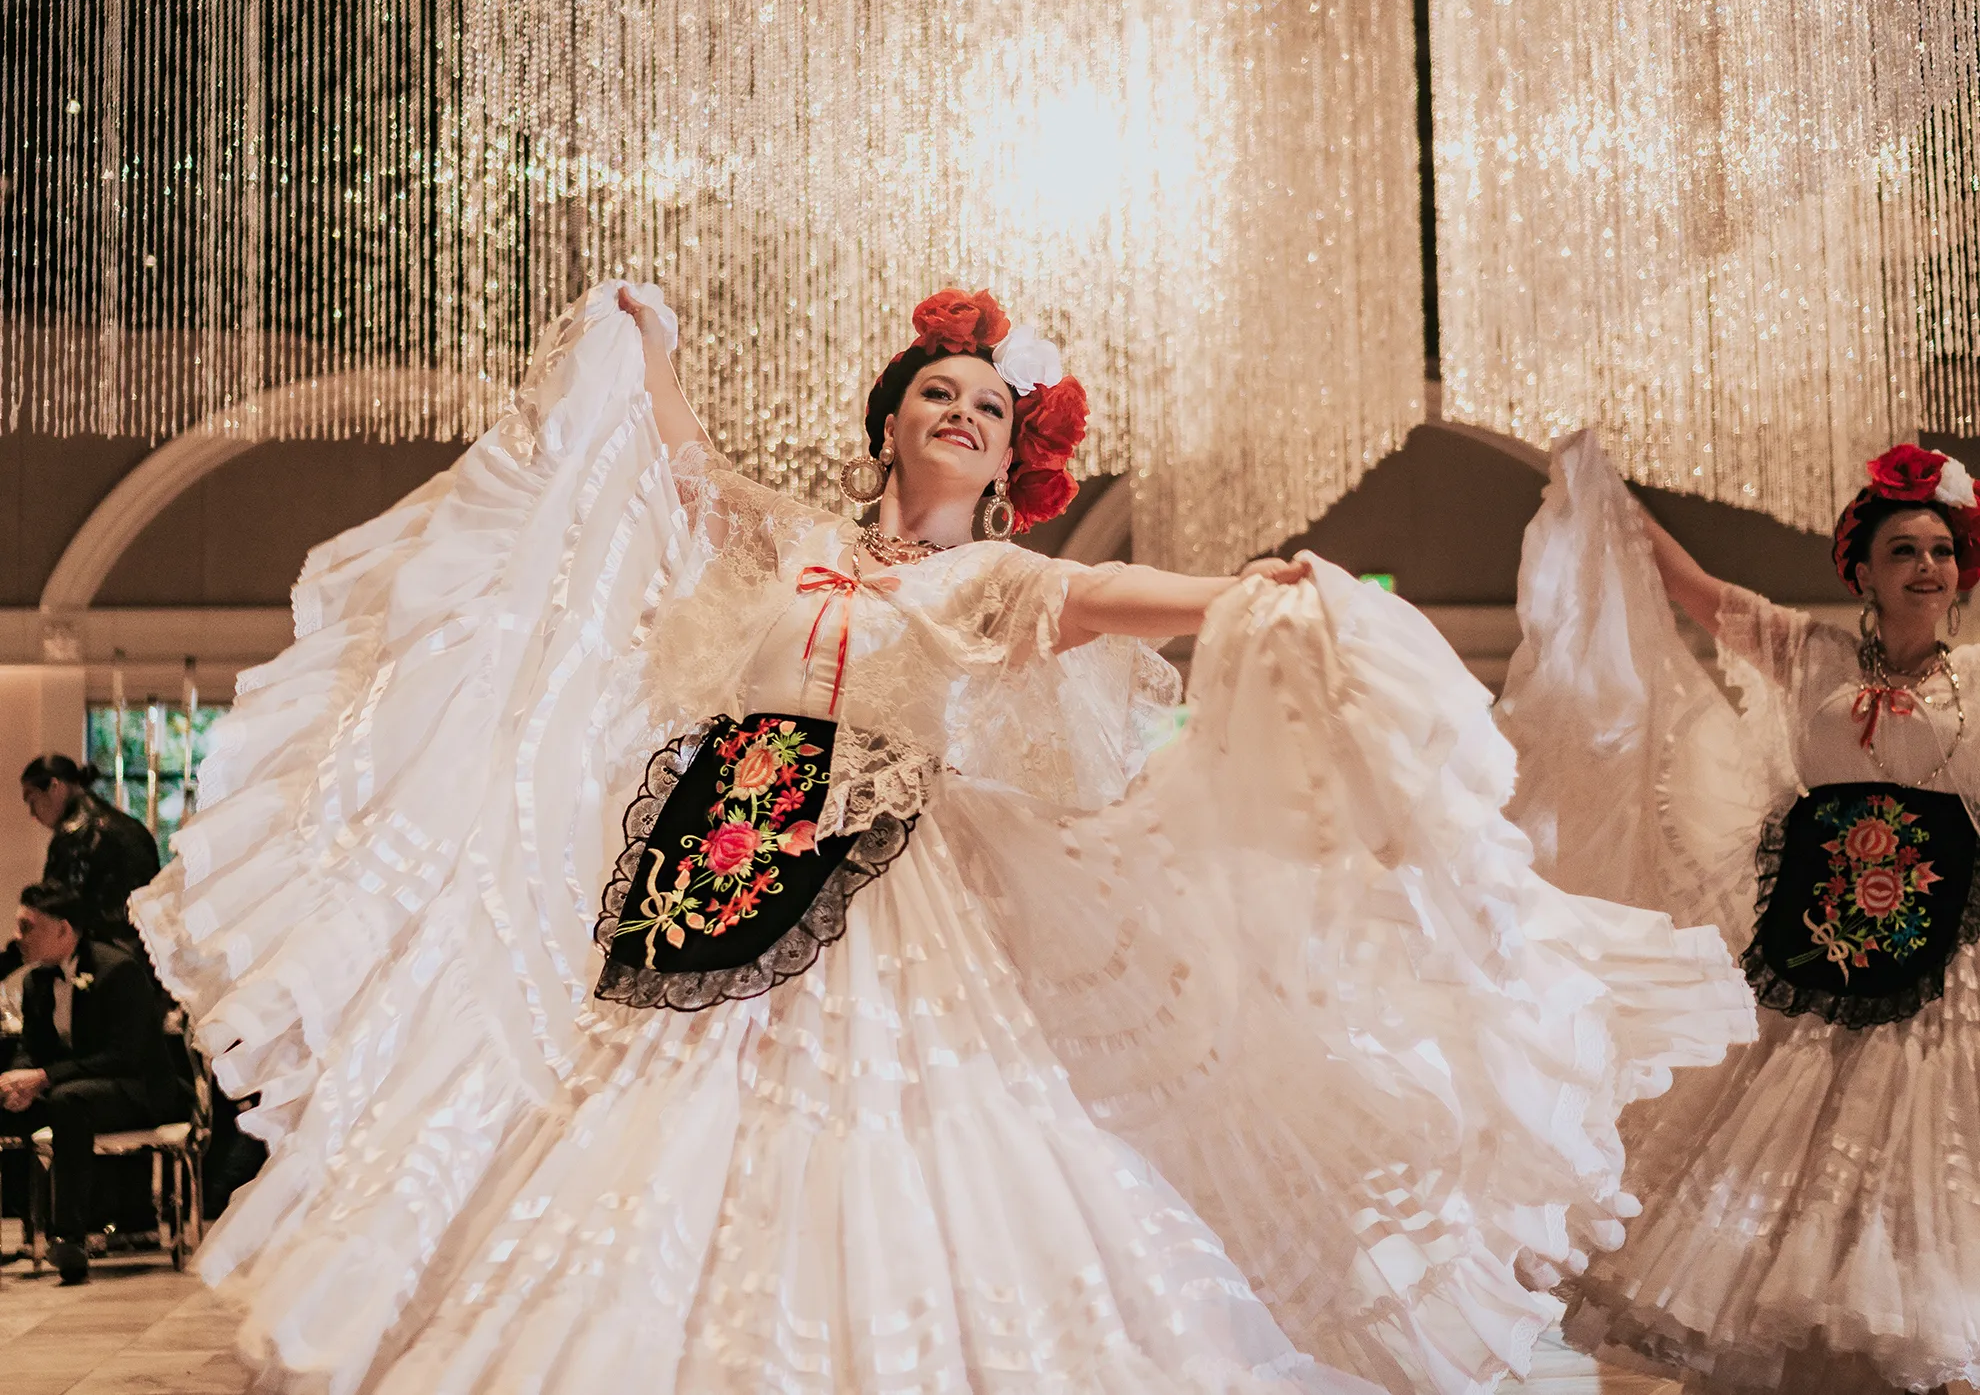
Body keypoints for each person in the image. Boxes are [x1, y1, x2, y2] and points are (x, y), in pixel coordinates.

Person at [129, 282, 1751, 1394]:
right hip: (719, 859)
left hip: (896, 895)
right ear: (890, 422)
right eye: (937, 393)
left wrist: (1255, 593)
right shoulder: (787, 545)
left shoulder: (992, 584)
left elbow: (1121, 598)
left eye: (989, 404)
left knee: (900, 1153)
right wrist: (649, 333)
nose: (963, 414)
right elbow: (676, 470)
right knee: (650, 1141)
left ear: (1012, 453)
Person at [1499, 432, 1980, 1394]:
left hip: (1951, 960)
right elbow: (1690, 586)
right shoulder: (1813, 653)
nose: (1927, 567)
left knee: (1927, 1166)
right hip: (1817, 958)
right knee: (1794, 1182)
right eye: (1903, 550)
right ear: (1865, 570)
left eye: (1941, 549)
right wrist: (1602, 485)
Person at [0, 881, 188, 1284]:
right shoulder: (35, 981)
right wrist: (16, 1078)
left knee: (69, 1101)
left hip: (138, 1090)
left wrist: (44, 1077)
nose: (17, 938)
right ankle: (22, 1229)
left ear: (63, 930)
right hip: (77, 1089)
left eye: (26, 927)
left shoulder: (116, 970)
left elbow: (124, 1055)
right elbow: (29, 1047)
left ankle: (69, 1238)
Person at [21, 754, 162, 950]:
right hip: (146, 953)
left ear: (55, 787)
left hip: (102, 958)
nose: (32, 814)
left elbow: (56, 914)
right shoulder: (127, 825)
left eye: (32, 800)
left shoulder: (74, 835)